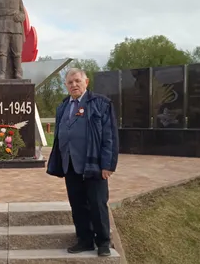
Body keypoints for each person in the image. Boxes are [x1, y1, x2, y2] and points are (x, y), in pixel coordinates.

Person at [47, 67, 119, 257]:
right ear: (66, 85)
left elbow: (110, 136)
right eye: (70, 82)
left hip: (93, 164)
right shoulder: (63, 106)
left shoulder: (101, 104)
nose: (74, 85)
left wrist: (108, 164)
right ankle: (85, 240)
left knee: (97, 203)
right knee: (77, 204)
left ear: (86, 82)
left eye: (77, 81)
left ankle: (103, 241)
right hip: (70, 164)